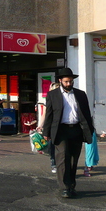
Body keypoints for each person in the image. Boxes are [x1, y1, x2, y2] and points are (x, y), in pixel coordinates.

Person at [41, 67, 95, 199]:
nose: (69, 84)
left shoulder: (81, 95)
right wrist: (45, 131)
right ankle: (65, 187)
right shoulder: (52, 95)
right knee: (62, 158)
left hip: (76, 129)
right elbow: (49, 115)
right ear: (60, 81)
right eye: (66, 81)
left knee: (73, 160)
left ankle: (71, 186)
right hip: (61, 130)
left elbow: (87, 114)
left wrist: (91, 130)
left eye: (71, 81)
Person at [37, 82, 60, 174]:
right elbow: (45, 114)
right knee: (52, 146)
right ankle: (54, 163)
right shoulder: (49, 99)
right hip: (51, 126)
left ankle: (57, 163)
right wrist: (40, 125)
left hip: (60, 126)